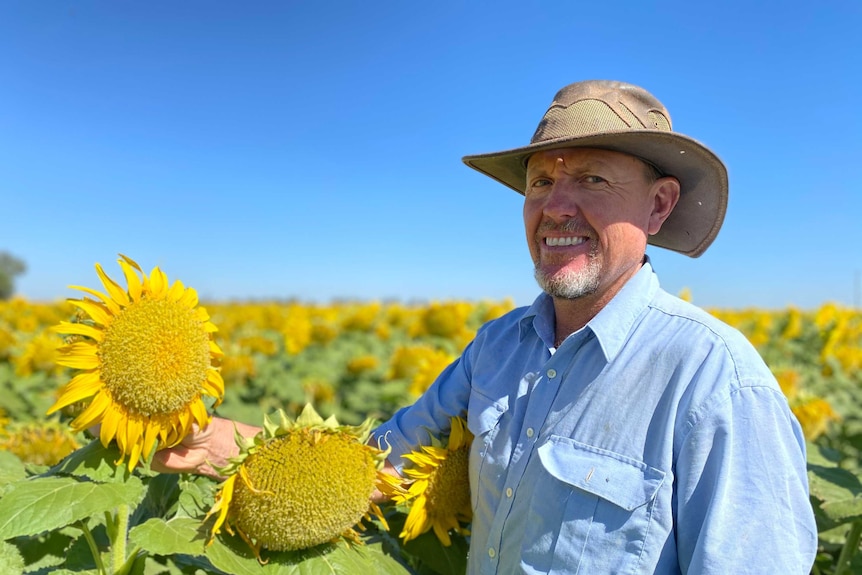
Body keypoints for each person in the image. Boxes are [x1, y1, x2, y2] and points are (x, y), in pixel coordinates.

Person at [154, 80, 818, 574]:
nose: (557, 206)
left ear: (658, 205)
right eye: (538, 182)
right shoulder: (498, 347)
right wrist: (214, 441)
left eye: (591, 178)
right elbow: (381, 466)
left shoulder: (713, 380)